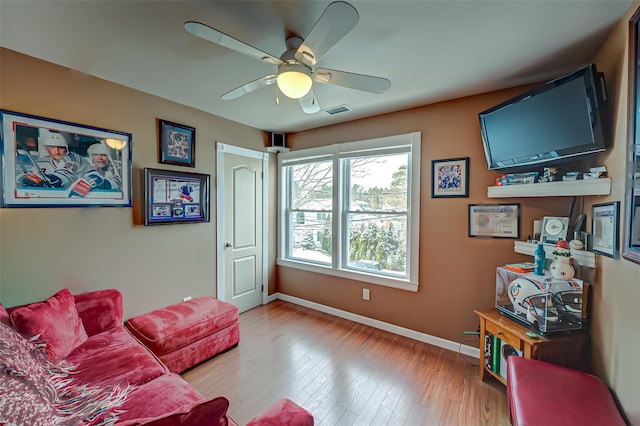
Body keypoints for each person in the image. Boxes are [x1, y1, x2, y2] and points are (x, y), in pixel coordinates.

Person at [18, 131, 90, 188]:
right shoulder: (41, 161)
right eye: (52, 147)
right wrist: (22, 179)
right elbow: (30, 176)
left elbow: (63, 179)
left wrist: (44, 181)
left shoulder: (74, 158)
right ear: (47, 148)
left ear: (66, 148)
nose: (56, 151)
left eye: (61, 147)